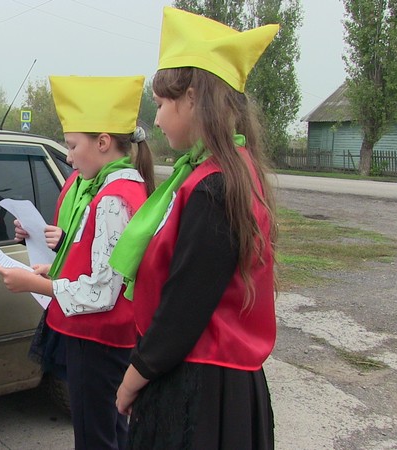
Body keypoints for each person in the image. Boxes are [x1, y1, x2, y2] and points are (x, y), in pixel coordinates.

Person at [110, 7, 280, 449]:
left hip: (202, 390)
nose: (156, 119)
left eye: (161, 104)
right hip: (208, 378)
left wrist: (132, 379)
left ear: (193, 98)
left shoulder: (214, 187)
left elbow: (184, 307)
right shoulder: (223, 173)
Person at [0, 75, 155, 450]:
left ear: (103, 142)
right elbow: (97, 262)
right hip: (103, 337)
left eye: (71, 146)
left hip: (98, 339)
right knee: (113, 430)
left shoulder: (112, 198)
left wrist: (36, 284)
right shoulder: (113, 188)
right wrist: (53, 269)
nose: (67, 156)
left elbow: (102, 291)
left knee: (95, 436)